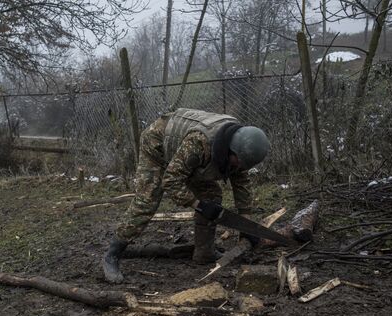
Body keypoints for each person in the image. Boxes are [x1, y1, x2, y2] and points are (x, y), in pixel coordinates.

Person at [103, 108, 270, 283]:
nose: (242, 167)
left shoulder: (240, 146)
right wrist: (197, 204)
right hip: (157, 146)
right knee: (147, 201)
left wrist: (246, 224)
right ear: (232, 150)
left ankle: (204, 252)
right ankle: (112, 255)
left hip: (186, 157)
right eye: (240, 162)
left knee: (211, 196)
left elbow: (241, 183)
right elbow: (171, 180)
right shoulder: (199, 143)